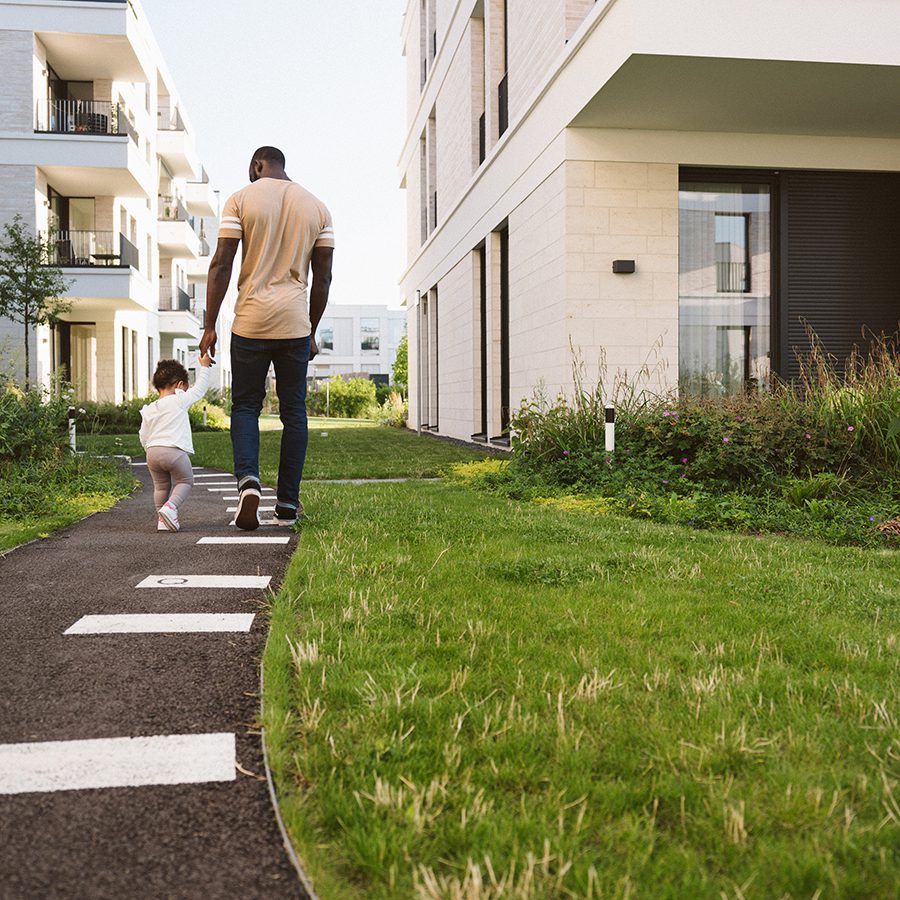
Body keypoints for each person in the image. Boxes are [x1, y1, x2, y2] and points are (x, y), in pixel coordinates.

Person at [199, 146, 334, 530]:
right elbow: (322, 278)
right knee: (294, 412)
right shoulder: (318, 208)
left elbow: (221, 263)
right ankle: (288, 503)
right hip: (294, 323)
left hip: (251, 322)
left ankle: (248, 482)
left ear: (258, 165)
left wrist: (209, 325)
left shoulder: (241, 200)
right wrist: (311, 327)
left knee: (245, 407)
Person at [139, 354, 213, 532]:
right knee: (185, 481)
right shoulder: (179, 399)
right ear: (180, 385)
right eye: (185, 389)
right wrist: (205, 367)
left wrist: (148, 449)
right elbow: (200, 389)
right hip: (174, 451)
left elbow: (143, 434)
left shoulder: (149, 408)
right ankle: (170, 508)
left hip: (152, 452)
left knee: (161, 486)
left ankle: (162, 520)